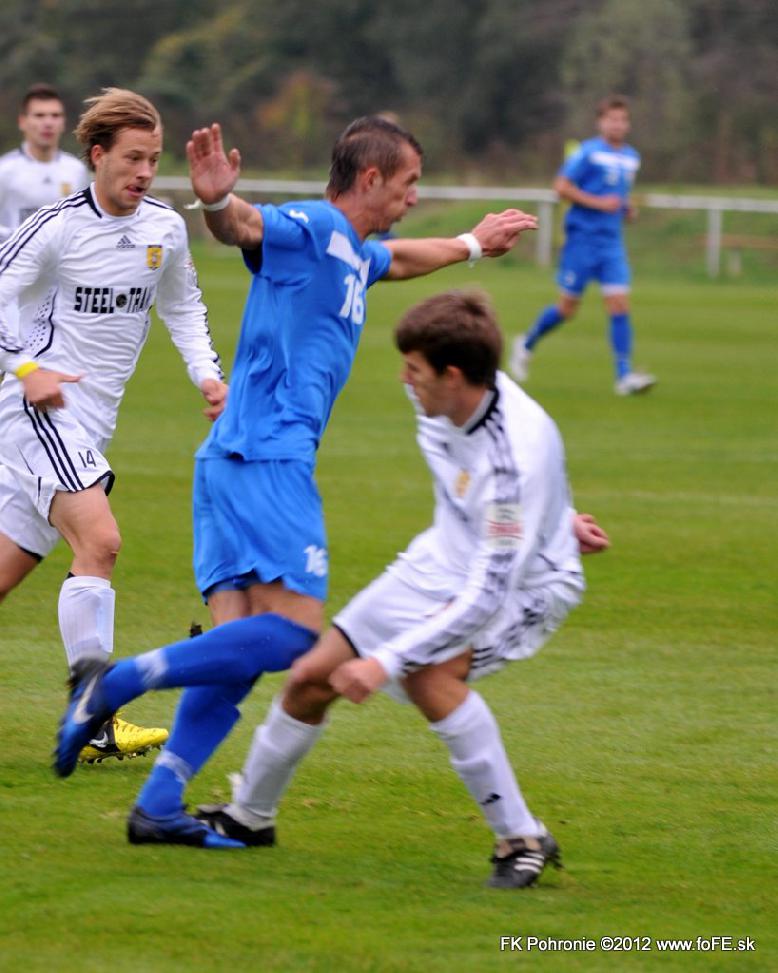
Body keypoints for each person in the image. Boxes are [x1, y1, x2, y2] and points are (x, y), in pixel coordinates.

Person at [55, 115, 538, 846]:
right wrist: (219, 204)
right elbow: (248, 227)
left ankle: (160, 805)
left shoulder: (354, 252)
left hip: (229, 458)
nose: (413, 198)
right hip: (268, 457)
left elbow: (402, 258)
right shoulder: (312, 226)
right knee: (292, 639)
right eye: (408, 183)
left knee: (235, 653)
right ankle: (116, 681)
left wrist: (475, 243)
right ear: (371, 178)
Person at [56, 289, 609, 880]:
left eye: (416, 370)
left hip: (523, 583)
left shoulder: (512, 457)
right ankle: (250, 816)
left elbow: (489, 590)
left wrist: (384, 661)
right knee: (310, 676)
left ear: (454, 376)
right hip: (442, 557)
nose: (403, 379)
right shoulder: (449, 398)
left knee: (429, 675)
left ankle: (520, 838)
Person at [0, 88, 226, 764]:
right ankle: (95, 714)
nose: (145, 172)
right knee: (100, 540)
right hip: (36, 411)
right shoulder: (56, 227)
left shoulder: (164, 228)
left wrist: (207, 375)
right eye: (132, 158)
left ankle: (93, 716)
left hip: (89, 425)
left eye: (153, 160)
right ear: (96, 156)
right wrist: (26, 368)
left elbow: (184, 308)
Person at [510, 95, 656, 396]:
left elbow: (617, 194)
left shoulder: (631, 157)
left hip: (611, 243)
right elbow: (561, 186)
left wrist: (626, 209)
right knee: (567, 309)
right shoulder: (588, 153)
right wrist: (599, 203)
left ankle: (624, 376)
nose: (617, 124)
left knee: (619, 303)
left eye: (622, 119)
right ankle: (525, 344)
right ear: (600, 122)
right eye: (611, 119)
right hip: (581, 240)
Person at [0, 84, 89, 243]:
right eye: (39, 115)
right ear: (22, 122)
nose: (48, 123)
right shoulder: (4, 170)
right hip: (15, 265)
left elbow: (83, 224)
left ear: (63, 122)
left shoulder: (76, 170)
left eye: (55, 116)